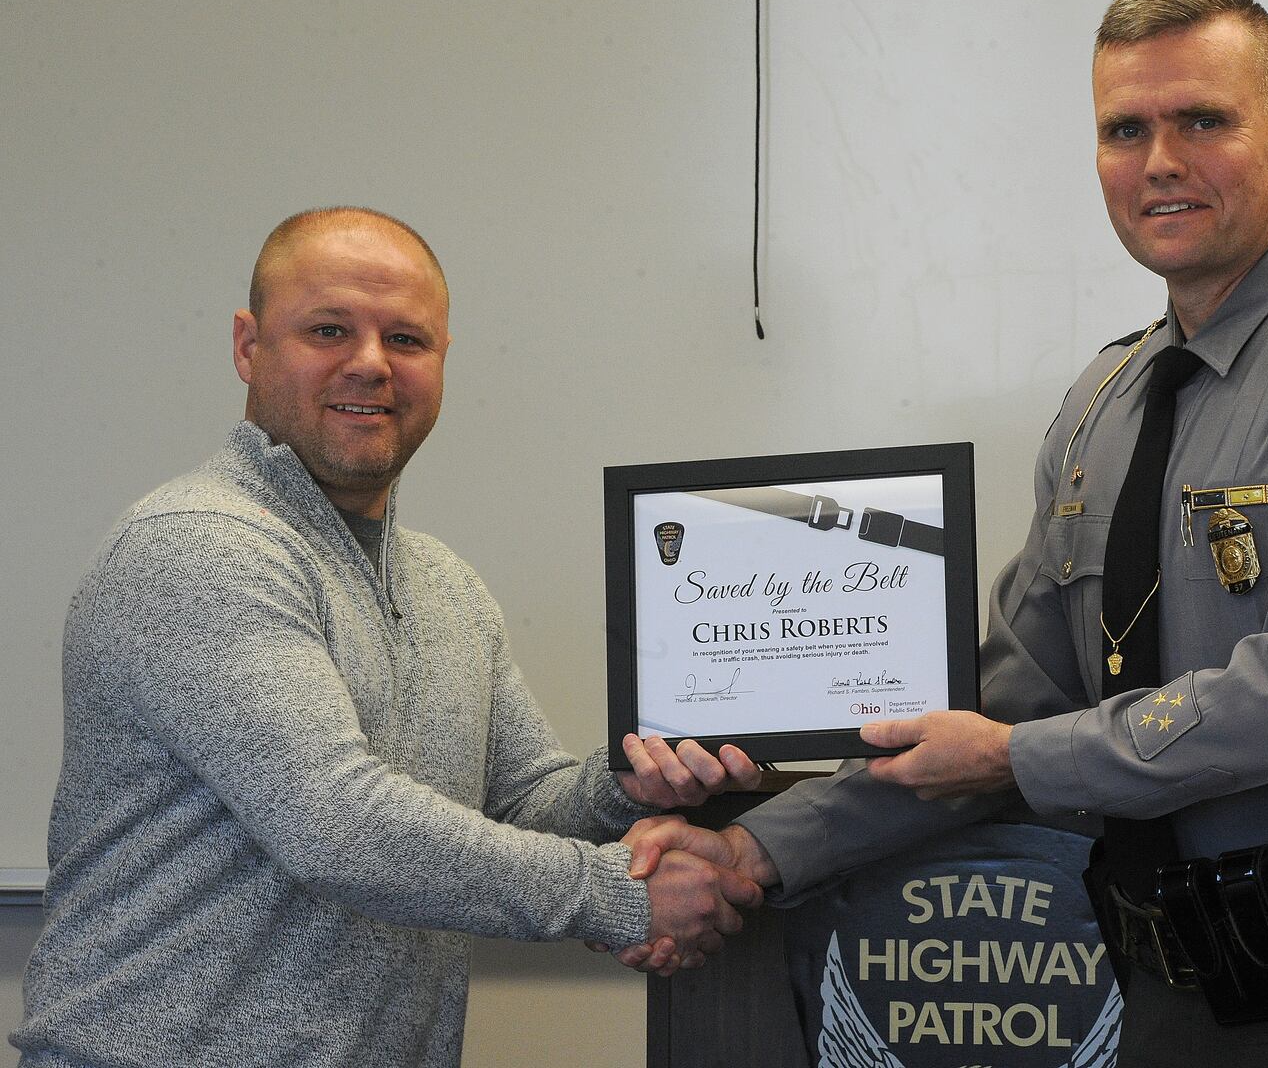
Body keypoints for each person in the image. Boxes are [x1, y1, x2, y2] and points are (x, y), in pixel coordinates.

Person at [624, 0, 1268, 1067]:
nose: (1159, 160)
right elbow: (1004, 700)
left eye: (1202, 119)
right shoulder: (1103, 404)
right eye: (1125, 128)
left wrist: (1017, 756)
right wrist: (755, 854)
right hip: (1161, 994)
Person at [10, 207, 762, 1067]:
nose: (369, 363)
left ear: (442, 361)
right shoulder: (196, 544)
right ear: (247, 346)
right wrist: (625, 897)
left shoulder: (444, 582)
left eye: (406, 339)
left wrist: (638, 778)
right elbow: (334, 823)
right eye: (329, 329)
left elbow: (519, 805)